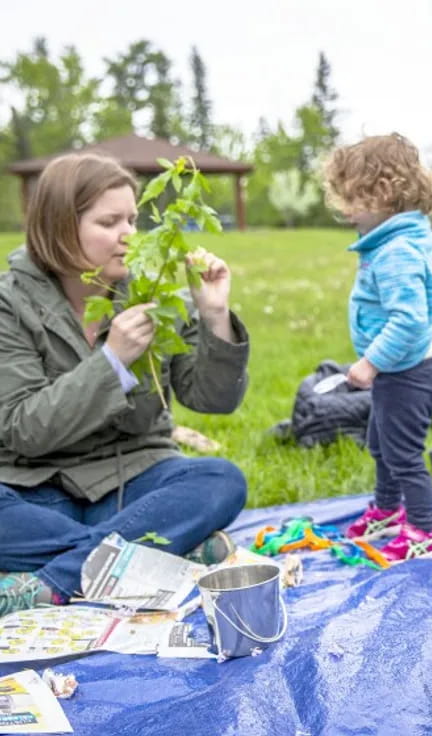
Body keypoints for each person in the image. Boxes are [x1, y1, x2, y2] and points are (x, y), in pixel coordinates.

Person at [0, 153, 250, 617]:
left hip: (133, 479)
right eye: (109, 221)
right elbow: (21, 429)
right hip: (36, 487)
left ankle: (55, 580)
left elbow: (212, 400)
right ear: (59, 226)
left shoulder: (151, 295)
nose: (129, 235)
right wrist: (112, 360)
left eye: (133, 218)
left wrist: (215, 315)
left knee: (220, 480)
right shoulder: (8, 305)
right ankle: (163, 550)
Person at [322, 133, 432, 562]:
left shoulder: (396, 251)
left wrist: (371, 363)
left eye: (353, 197)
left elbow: (409, 319)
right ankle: (387, 510)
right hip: (400, 373)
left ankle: (423, 532)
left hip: (406, 375)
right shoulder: (401, 238)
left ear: (382, 193)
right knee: (381, 444)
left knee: (404, 455)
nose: (345, 209)